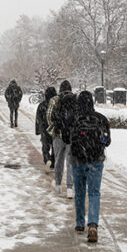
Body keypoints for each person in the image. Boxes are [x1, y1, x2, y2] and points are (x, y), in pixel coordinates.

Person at [68, 90, 112, 243]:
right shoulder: (101, 119)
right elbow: (108, 141)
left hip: (77, 160)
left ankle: (80, 224)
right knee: (94, 193)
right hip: (96, 160)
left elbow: (68, 139)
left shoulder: (74, 119)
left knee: (80, 192)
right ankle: (93, 224)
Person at [46, 80, 78, 198]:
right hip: (72, 135)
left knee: (59, 159)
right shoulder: (76, 99)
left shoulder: (55, 100)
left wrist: (55, 128)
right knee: (71, 160)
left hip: (59, 134)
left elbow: (49, 117)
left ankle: (58, 184)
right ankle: (70, 187)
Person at [35, 86, 57, 168]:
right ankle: (53, 162)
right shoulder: (57, 105)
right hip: (54, 129)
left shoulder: (42, 105)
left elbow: (38, 119)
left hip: (44, 129)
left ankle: (47, 159)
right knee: (55, 147)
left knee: (45, 147)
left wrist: (38, 130)